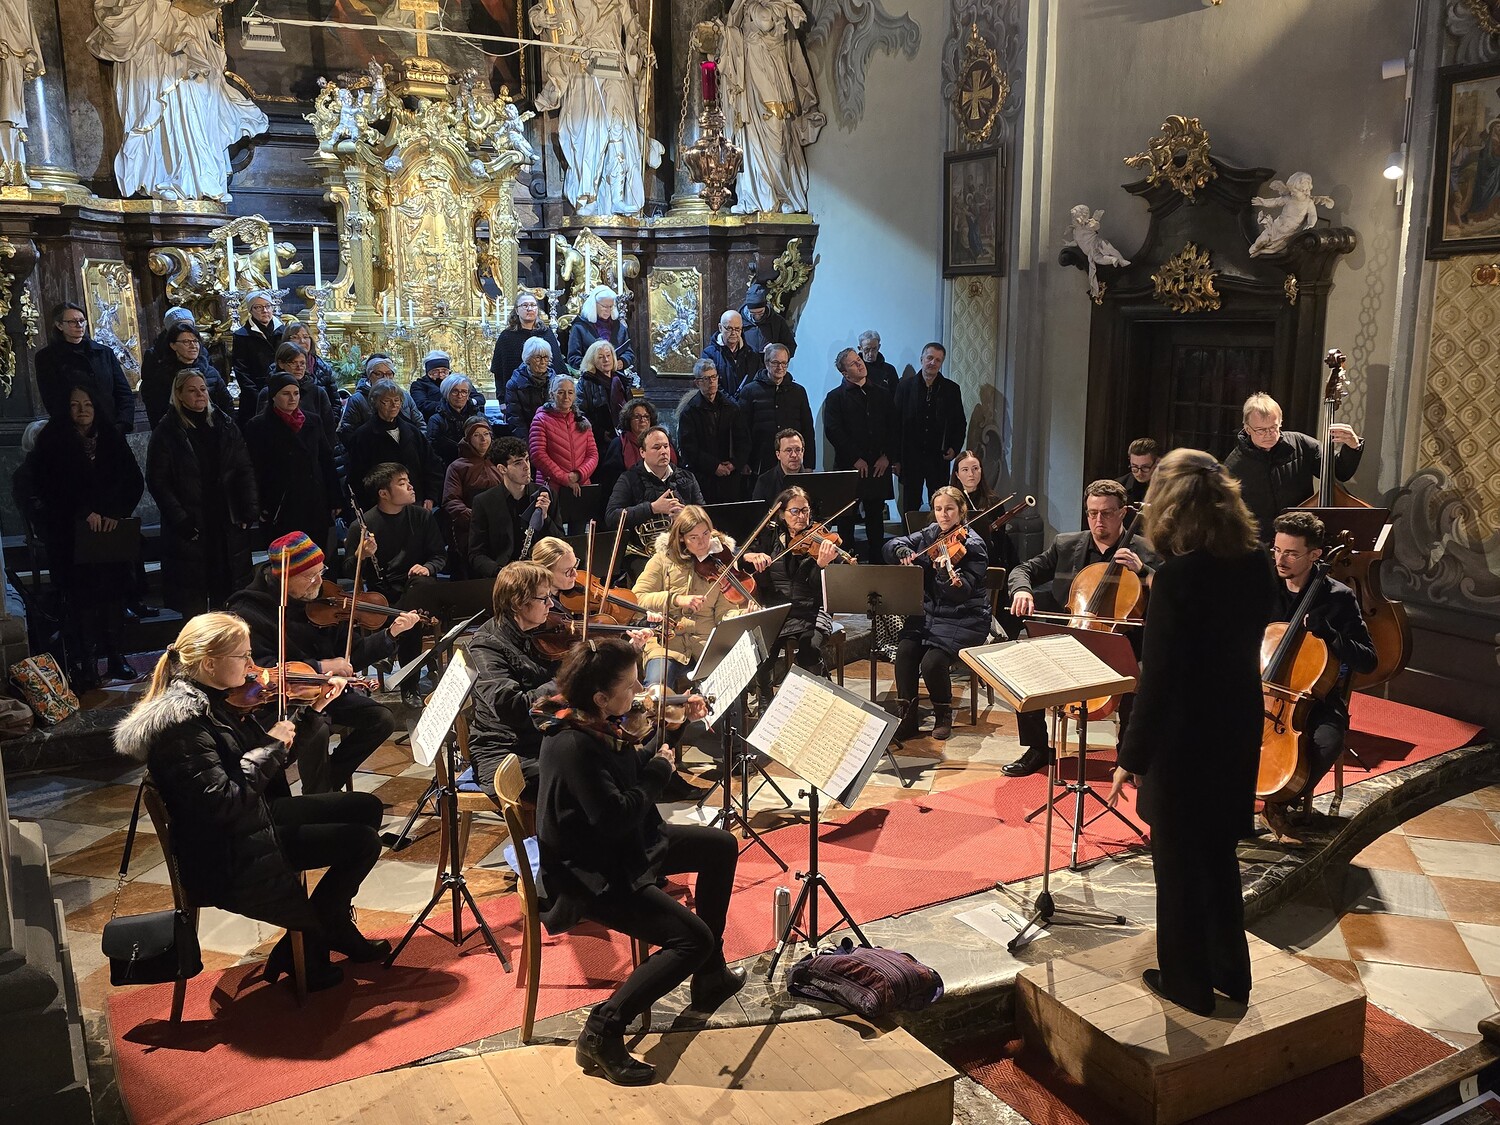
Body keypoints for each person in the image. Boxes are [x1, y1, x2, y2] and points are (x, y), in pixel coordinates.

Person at [113, 613, 386, 994]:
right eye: (242, 656)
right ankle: (321, 932)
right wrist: (271, 745)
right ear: (210, 663)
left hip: (248, 819)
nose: (252, 665)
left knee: (366, 807)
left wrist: (312, 713)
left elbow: (268, 769)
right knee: (361, 842)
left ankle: (325, 926)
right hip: (225, 850)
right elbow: (223, 802)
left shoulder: (217, 701)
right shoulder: (182, 726)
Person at [1109, 448, 1277, 1017]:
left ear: (1171, 507)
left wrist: (1131, 755)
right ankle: (1231, 974)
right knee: (1219, 855)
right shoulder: (1255, 563)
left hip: (1184, 739)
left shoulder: (1177, 578)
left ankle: (1187, 984)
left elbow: (1159, 679)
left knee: (1178, 865)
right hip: (1235, 724)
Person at [534, 639, 741, 1085]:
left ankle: (710, 976)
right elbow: (615, 816)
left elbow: (627, 771)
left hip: (622, 846)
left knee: (721, 845)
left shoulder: (593, 725)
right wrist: (659, 772)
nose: (641, 692)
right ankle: (603, 1029)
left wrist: (670, 733)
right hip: (590, 874)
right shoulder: (573, 743)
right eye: (630, 685)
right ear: (600, 697)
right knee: (691, 940)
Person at [228, 533, 415, 790]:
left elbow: (352, 656)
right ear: (284, 578)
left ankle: (326, 787)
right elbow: (259, 670)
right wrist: (321, 667)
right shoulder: (249, 611)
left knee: (381, 719)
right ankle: (318, 795)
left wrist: (390, 634)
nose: (319, 581)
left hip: (328, 691)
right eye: (309, 576)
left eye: (321, 571)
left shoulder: (322, 598)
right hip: (280, 699)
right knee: (317, 731)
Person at [1004, 479, 1160, 777]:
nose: (1099, 520)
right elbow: (1024, 569)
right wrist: (1021, 590)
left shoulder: (1145, 550)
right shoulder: (1066, 544)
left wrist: (1144, 571)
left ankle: (1128, 758)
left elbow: (1171, 593)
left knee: (1142, 683)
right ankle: (1038, 748)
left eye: (1107, 513)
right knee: (1024, 673)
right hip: (1072, 642)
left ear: (1123, 512)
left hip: (1124, 646)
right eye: (1092, 513)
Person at [1260, 510, 1377, 841]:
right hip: (1259, 686)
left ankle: (1278, 804)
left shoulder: (1338, 597)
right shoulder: (1264, 586)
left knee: (1327, 741)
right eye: (1277, 550)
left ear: (1315, 555)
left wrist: (1331, 636)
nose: (1280, 560)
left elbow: (1368, 660)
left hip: (1314, 697)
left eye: (1291, 553)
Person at [86, 0, 267, 201]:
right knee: (158, 101)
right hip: (149, 30)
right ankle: (163, 177)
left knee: (195, 103)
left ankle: (200, 179)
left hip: (188, 27)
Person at [32, 385, 145, 688]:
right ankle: (88, 661)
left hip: (109, 533)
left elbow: (133, 480)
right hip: (71, 535)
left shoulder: (111, 438)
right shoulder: (52, 440)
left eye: (88, 404)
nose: (82, 410)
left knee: (113, 597)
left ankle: (117, 657)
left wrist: (113, 512)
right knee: (82, 601)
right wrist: (83, 512)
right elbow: (46, 487)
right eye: (75, 404)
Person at [146, 370, 258, 615]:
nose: (200, 394)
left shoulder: (224, 424)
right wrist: (180, 519)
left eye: (203, 389)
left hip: (225, 517)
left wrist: (248, 508)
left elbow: (244, 468)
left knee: (228, 591)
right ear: (179, 395)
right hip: (191, 521)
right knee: (194, 598)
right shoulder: (167, 431)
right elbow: (158, 481)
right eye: (192, 390)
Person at [883, 486, 988, 742]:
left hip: (965, 618)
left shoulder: (974, 545)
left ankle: (943, 714)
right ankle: (907, 717)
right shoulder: (930, 534)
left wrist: (944, 574)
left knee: (932, 663)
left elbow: (961, 593)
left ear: (961, 511)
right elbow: (892, 544)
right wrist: (900, 551)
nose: (943, 514)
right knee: (905, 651)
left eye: (949, 509)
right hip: (929, 615)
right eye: (939, 509)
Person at [632, 505, 769, 689]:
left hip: (706, 645)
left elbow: (724, 613)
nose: (703, 543)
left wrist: (743, 615)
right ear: (681, 537)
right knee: (656, 687)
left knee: (728, 687)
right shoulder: (663, 559)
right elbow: (637, 598)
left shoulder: (722, 561)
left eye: (706, 534)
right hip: (666, 643)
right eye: (694, 537)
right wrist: (676, 599)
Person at [466, 561, 562, 800]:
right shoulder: (486, 646)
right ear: (518, 602)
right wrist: (565, 681)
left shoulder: (537, 631)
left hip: (542, 737)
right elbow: (513, 707)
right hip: (504, 751)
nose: (551, 604)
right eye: (544, 599)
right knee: (573, 777)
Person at [720, 0, 822, 215]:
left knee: (777, 133)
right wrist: (725, 33)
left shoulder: (775, 5)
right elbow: (732, 31)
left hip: (772, 79)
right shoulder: (744, 6)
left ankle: (781, 194)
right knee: (749, 136)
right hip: (750, 84)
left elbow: (765, 21)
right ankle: (752, 195)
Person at [1224, 392, 1362, 542]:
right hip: (1261, 542)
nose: (1269, 434)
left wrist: (1353, 446)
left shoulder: (1301, 444)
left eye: (1273, 427)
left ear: (1281, 422)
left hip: (1302, 538)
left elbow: (1340, 472)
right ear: (1247, 429)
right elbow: (1231, 516)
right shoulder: (1234, 465)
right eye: (1261, 430)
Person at [244, 372, 341, 551]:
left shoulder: (312, 420)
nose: (292, 398)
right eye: (286, 394)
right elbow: (254, 469)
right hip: (281, 502)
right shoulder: (258, 426)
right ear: (273, 396)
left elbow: (326, 460)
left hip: (313, 500)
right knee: (287, 555)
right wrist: (259, 504)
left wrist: (334, 498)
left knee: (315, 553)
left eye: (296, 393)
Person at [753, 486, 842, 679]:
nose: (801, 516)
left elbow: (822, 589)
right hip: (779, 609)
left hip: (813, 610)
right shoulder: (770, 536)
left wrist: (821, 565)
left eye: (805, 510)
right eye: (795, 511)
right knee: (760, 653)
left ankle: (814, 688)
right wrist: (753, 557)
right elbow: (745, 556)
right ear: (782, 514)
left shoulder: (821, 540)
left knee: (809, 649)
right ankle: (764, 694)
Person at [606, 426, 705, 582]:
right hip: (643, 554)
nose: (663, 451)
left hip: (684, 548)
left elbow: (704, 516)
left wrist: (686, 516)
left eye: (666, 446)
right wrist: (652, 508)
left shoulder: (687, 477)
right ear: (642, 452)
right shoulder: (628, 479)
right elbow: (612, 517)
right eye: (656, 447)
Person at [825, 347, 895, 563]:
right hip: (850, 466)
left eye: (859, 360)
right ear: (845, 373)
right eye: (853, 363)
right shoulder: (835, 397)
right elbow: (834, 431)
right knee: (846, 519)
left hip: (878, 465)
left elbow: (894, 427)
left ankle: (877, 563)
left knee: (875, 518)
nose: (860, 364)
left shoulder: (882, 393)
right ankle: (848, 564)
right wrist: (855, 458)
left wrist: (887, 456)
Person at [344, 378, 444, 510]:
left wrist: (431, 496)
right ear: (375, 403)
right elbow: (356, 477)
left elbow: (431, 464)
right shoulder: (362, 436)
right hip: (382, 506)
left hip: (417, 502)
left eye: (397, 400)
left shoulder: (412, 431)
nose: (393, 405)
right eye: (386, 401)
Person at [34, 303, 135, 433]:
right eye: (73, 322)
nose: (79, 325)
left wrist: (122, 424)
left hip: (111, 428)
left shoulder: (104, 353)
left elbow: (123, 392)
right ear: (59, 325)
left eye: (82, 321)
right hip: (74, 431)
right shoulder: (47, 357)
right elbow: (51, 399)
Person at [469, 437, 561, 577]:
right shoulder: (484, 502)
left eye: (527, 459)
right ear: (502, 469)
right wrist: (501, 572)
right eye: (518, 463)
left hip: (541, 572)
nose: (526, 467)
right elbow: (476, 554)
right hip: (504, 574)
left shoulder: (546, 495)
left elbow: (559, 543)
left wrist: (545, 518)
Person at [892, 342, 966, 512]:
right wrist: (895, 458)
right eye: (930, 358)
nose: (933, 363)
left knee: (940, 504)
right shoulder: (905, 387)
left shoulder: (951, 389)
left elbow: (959, 422)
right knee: (910, 505)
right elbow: (895, 424)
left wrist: (954, 447)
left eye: (938, 360)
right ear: (922, 359)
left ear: (941, 363)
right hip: (910, 458)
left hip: (938, 458)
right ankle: (909, 531)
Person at [736, 343, 815, 479]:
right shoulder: (750, 391)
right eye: (776, 363)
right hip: (760, 461)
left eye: (784, 363)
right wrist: (743, 461)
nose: (780, 367)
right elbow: (742, 430)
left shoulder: (798, 391)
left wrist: (809, 464)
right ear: (766, 363)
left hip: (792, 461)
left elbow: (807, 429)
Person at [140, 321, 233, 426]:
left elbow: (227, 404)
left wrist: (226, 428)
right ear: (173, 345)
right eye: (186, 341)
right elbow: (156, 409)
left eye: (195, 341)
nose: (193, 346)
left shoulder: (211, 372)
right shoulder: (162, 376)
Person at [677, 358, 743, 506]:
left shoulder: (731, 407)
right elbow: (688, 448)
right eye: (706, 379)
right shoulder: (689, 412)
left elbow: (743, 440)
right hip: (704, 478)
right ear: (697, 382)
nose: (712, 382)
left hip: (730, 477)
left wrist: (734, 463)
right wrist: (714, 466)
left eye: (714, 377)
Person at [441, 416, 501, 578]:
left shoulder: (500, 462)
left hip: (500, 527)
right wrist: (476, 519)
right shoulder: (457, 467)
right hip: (470, 530)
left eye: (486, 434)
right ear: (468, 439)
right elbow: (451, 501)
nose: (483, 439)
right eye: (477, 435)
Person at [529, 373, 599, 506]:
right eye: (561, 392)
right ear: (552, 394)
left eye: (570, 392)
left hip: (580, 486)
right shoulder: (541, 420)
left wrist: (579, 474)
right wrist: (565, 478)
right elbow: (538, 455)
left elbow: (593, 455)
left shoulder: (582, 421)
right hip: (551, 488)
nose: (566, 397)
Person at [255, 341, 340, 440]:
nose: (299, 367)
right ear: (281, 364)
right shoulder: (268, 392)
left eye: (302, 363)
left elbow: (329, 429)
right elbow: (260, 429)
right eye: (293, 363)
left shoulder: (317, 392)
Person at [951, 449, 1019, 571]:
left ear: (981, 470)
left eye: (975, 468)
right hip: (958, 559)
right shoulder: (950, 501)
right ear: (957, 474)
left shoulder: (993, 501)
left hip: (988, 558)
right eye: (965, 470)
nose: (971, 474)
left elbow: (1000, 540)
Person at [491, 291, 563, 405]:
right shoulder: (507, 336)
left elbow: (558, 365)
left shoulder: (547, 333)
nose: (530, 308)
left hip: (546, 396)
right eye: (525, 305)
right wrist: (502, 400)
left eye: (533, 305)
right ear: (516, 310)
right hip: (517, 397)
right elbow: (499, 371)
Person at [598, 398, 673, 501]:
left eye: (646, 416)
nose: (643, 420)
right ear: (628, 420)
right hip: (630, 497)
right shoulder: (619, 443)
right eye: (637, 417)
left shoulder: (662, 439)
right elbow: (610, 478)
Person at [338, 355, 423, 441]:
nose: (385, 378)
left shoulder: (404, 395)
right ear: (369, 375)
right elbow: (348, 432)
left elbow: (420, 423)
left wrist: (420, 444)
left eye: (389, 374)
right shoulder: (358, 400)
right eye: (379, 374)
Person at [231, 292, 280, 427]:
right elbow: (241, 370)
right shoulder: (242, 335)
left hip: (280, 391)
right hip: (254, 397)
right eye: (258, 307)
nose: (265, 310)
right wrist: (258, 396)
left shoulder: (282, 331)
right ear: (251, 310)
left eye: (268, 306)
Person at [575, 339, 625, 459]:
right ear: (593, 360)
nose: (606, 360)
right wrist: (600, 433)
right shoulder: (586, 382)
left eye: (608, 355)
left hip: (622, 437)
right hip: (598, 441)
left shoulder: (621, 380)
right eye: (601, 357)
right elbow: (580, 413)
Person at [567, 286, 635, 372]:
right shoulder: (580, 327)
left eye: (611, 307)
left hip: (616, 375)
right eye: (604, 306)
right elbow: (573, 358)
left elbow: (629, 353)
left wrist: (622, 362)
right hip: (591, 376)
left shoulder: (619, 327)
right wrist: (595, 365)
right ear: (594, 305)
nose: (608, 310)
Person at [425, 373, 484, 467]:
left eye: (464, 392)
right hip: (447, 467)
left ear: (468, 394)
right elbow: (432, 451)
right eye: (455, 391)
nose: (460, 396)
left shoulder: (479, 417)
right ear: (447, 394)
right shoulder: (436, 420)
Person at [504, 337, 557, 442]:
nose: (543, 362)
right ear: (528, 359)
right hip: (529, 438)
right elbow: (515, 420)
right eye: (538, 358)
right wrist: (529, 444)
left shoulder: (556, 382)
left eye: (546, 357)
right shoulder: (515, 385)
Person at [409, 349, 485, 420]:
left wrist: (467, 402)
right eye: (435, 372)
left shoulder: (458, 381)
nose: (440, 375)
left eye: (444, 371)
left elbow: (479, 398)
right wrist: (451, 406)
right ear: (428, 372)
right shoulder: (419, 385)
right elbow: (421, 405)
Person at [279, 320, 341, 407]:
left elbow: (335, 403)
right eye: (295, 337)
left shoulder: (323, 368)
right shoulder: (278, 367)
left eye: (305, 337)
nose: (302, 341)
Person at [700, 310, 758, 400]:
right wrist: (730, 402)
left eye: (737, 329)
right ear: (720, 328)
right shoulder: (709, 354)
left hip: (746, 405)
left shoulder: (751, 354)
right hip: (719, 404)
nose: (733, 333)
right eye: (729, 328)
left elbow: (756, 383)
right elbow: (709, 384)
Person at [740, 282, 796, 358]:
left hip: (769, 363)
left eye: (760, 312)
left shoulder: (777, 321)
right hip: (746, 363)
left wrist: (774, 350)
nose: (757, 316)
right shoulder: (739, 320)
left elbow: (791, 346)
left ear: (765, 307)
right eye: (753, 313)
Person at [751, 427, 806, 502]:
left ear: (803, 452)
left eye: (798, 450)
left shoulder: (814, 481)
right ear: (778, 455)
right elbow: (758, 509)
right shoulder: (764, 481)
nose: (794, 455)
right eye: (788, 450)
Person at [1117, 437, 1159, 506]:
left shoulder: (1169, 487)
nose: (1139, 473)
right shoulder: (1118, 487)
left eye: (1145, 467)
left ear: (1157, 462)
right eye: (1134, 467)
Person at [857, 329, 899, 397]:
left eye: (874, 349)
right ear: (860, 348)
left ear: (879, 347)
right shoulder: (854, 370)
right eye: (867, 349)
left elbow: (896, 396)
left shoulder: (889, 370)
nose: (871, 354)